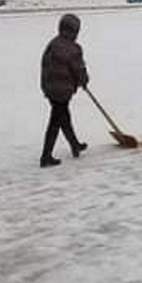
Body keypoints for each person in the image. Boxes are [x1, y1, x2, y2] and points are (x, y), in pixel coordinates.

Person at [39, 13, 89, 167]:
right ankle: (45, 156)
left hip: (50, 88)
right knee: (56, 121)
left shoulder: (53, 44)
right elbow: (79, 69)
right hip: (62, 91)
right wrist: (84, 81)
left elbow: (44, 64)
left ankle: (74, 144)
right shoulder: (73, 49)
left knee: (63, 117)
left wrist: (47, 85)